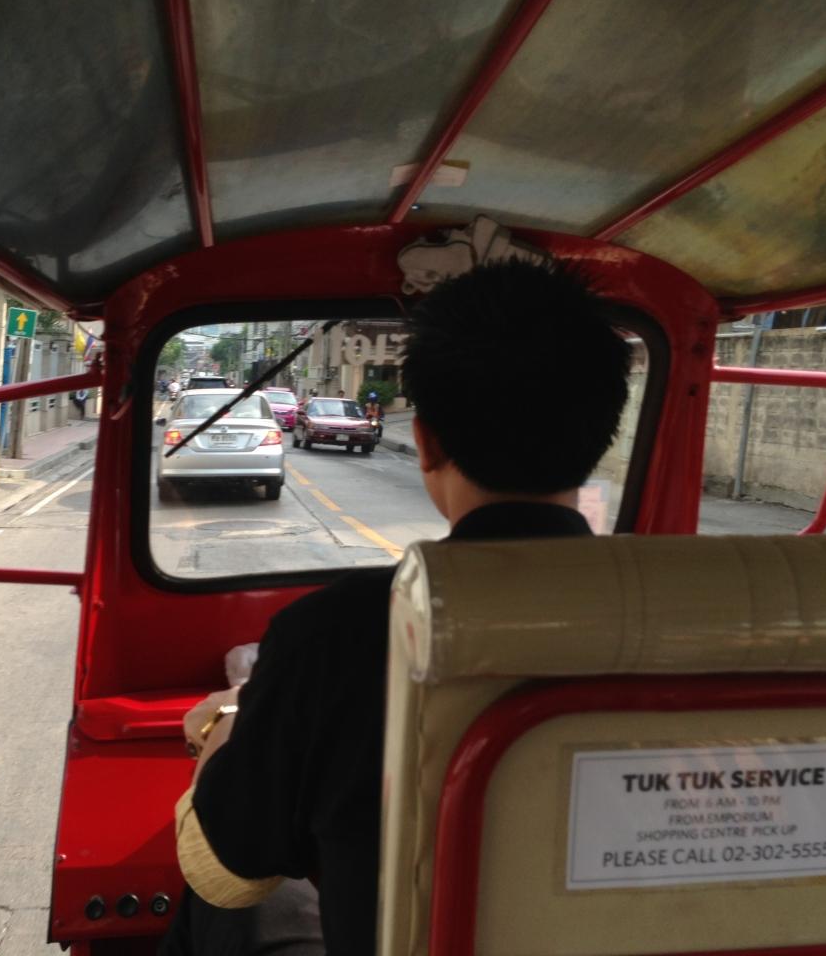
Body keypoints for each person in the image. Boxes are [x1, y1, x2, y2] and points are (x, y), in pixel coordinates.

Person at [160, 259, 631, 955]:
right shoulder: (692, 624)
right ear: (601, 433)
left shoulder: (338, 635)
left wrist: (227, 722)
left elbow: (229, 870)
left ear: (426, 441)